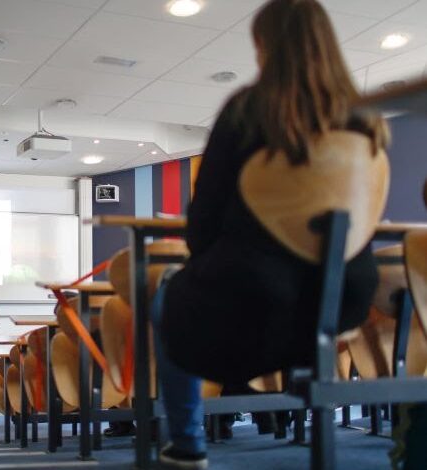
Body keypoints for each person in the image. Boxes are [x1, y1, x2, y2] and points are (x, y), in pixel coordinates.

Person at [153, 1, 389, 468]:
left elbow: (201, 226)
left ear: (265, 46)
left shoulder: (246, 111)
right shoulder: (364, 120)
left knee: (165, 297)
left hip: (254, 295)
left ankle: (188, 443)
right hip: (344, 295)